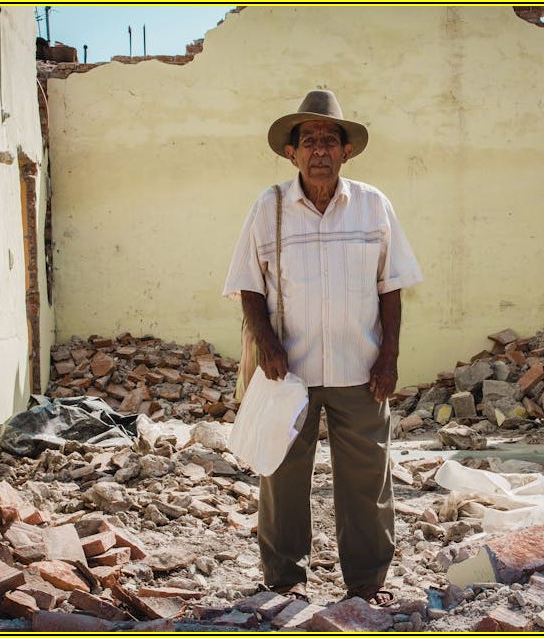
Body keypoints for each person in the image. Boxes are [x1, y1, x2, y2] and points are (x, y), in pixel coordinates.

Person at [223, 90, 423, 606]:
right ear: (292, 153)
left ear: (346, 151)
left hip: (361, 368)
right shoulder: (268, 208)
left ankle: (366, 582)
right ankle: (286, 576)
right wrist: (266, 345)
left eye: (329, 140)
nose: (319, 149)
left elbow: (392, 286)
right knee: (283, 476)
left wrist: (390, 356)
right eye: (308, 140)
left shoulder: (373, 206)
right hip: (289, 372)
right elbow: (248, 284)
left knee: (365, 477)